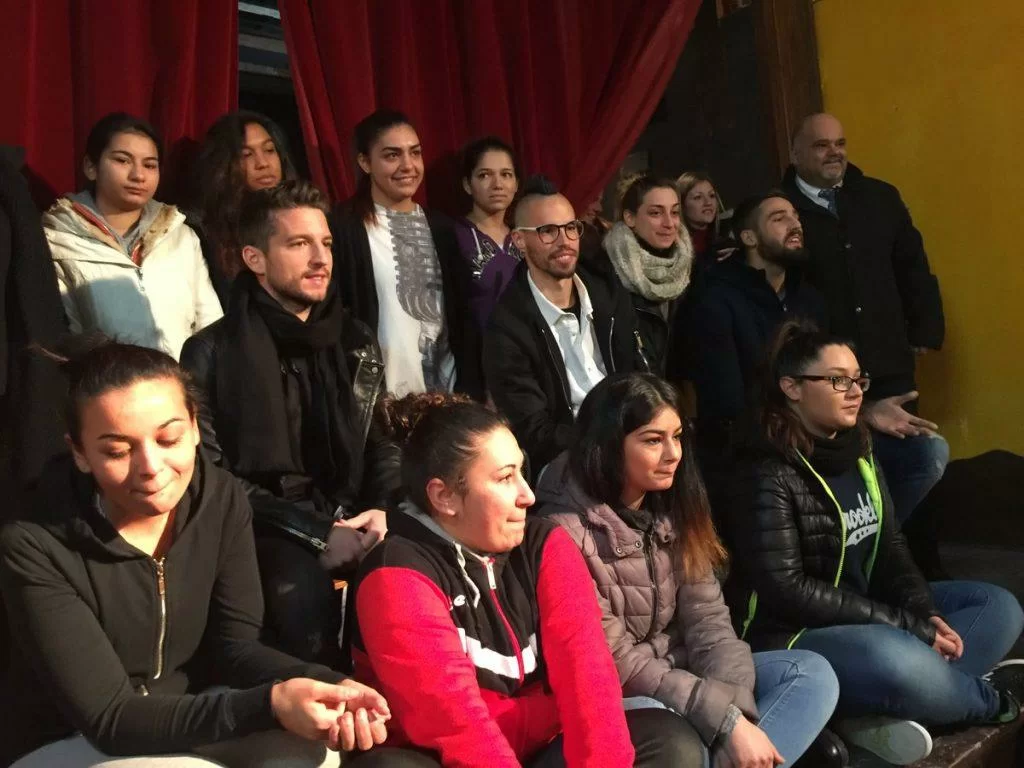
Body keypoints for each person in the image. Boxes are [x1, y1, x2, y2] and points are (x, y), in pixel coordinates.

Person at [0, 339, 391, 767]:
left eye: (169, 438)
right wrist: (271, 704)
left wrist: (330, 684)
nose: (151, 467)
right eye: (117, 451)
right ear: (79, 453)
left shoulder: (221, 499)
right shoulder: (34, 543)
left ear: (195, 427)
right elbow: (109, 717)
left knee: (312, 750)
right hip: (72, 737)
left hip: (188, 710)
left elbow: (235, 647)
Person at [721, 320, 1024, 765]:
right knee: (895, 658)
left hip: (867, 614)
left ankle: (881, 713)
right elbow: (788, 590)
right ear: (792, 387)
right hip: (792, 634)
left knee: (997, 607)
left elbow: (891, 546)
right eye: (837, 380)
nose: (855, 392)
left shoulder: (857, 448)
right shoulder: (765, 470)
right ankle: (988, 698)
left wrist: (924, 612)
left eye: (858, 380)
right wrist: (905, 628)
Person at [348, 392, 704, 766]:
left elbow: (587, 676)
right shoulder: (397, 574)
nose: (528, 495)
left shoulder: (543, 543)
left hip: (537, 745)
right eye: (505, 478)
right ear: (444, 497)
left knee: (669, 741)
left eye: (522, 470)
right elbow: (456, 723)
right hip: (449, 758)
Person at [535, 372, 844, 767]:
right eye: (653, 440)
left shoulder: (674, 505)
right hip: (631, 696)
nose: (673, 454)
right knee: (673, 735)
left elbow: (710, 623)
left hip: (691, 678)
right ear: (608, 445)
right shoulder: (561, 531)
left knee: (810, 673)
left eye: (678, 437)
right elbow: (615, 662)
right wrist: (723, 720)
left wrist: (733, 715)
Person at [180, 181, 400, 667]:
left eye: (326, 244)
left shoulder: (355, 339)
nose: (320, 259)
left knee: (416, 572)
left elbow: (381, 442)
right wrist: (318, 532)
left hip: (355, 512)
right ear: (255, 258)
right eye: (299, 244)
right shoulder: (210, 352)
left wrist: (382, 509)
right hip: (262, 524)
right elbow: (210, 477)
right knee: (298, 595)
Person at [782, 113, 949, 536]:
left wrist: (925, 329)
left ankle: (919, 563)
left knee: (911, 457)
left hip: (887, 357)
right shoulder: (781, 208)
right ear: (796, 154)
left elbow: (912, 266)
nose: (834, 152)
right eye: (821, 145)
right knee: (846, 470)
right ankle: (858, 555)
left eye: (839, 143)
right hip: (824, 370)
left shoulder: (879, 197)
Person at [483, 176, 644, 472]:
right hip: (566, 464)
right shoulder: (507, 327)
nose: (565, 241)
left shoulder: (609, 292)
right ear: (519, 240)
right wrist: (605, 442)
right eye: (548, 231)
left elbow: (640, 373)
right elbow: (534, 431)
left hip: (631, 442)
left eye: (571, 228)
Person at [43, 112, 222, 361]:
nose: (138, 175)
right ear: (91, 167)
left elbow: (211, 324)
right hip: (103, 381)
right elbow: (62, 339)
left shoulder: (181, 235)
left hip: (180, 382)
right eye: (122, 160)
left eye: (150, 165)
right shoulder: (57, 239)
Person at [329, 109, 482, 400]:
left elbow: (463, 319)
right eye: (392, 155)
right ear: (365, 162)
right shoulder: (343, 228)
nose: (408, 165)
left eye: (415, 152)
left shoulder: (443, 228)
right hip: (379, 401)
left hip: (447, 397)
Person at [676, 192, 826, 475]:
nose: (795, 224)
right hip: (750, 460)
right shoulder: (716, 299)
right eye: (779, 218)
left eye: (795, 216)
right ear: (748, 237)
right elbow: (725, 403)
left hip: (812, 446)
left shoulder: (809, 298)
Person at [192, 111, 299, 305]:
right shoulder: (205, 232)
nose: (263, 163)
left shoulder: (301, 216)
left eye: (269, 150)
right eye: (247, 155)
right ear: (224, 165)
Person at [602, 176, 693, 375]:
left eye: (675, 212)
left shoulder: (688, 270)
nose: (669, 223)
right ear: (630, 218)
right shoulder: (606, 276)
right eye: (655, 213)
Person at [453, 136, 523, 330]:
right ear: (467, 184)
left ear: (516, 184)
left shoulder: (525, 238)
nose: (497, 184)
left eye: (506, 174)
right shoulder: (453, 237)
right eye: (485, 175)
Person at [677, 171, 727, 273]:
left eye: (711, 195)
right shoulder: (673, 250)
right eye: (698, 197)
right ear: (682, 205)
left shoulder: (726, 246)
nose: (708, 203)